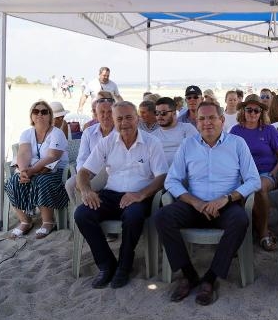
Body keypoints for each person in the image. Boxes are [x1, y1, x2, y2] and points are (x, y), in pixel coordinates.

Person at [154, 102, 259, 306]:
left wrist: (227, 198)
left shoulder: (237, 144)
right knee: (162, 217)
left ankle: (210, 278)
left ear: (222, 120)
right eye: (201, 118)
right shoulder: (188, 144)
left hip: (226, 205)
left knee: (240, 220)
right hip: (195, 205)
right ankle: (189, 274)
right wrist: (196, 202)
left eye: (212, 117)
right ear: (196, 122)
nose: (207, 122)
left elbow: (254, 180)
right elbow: (171, 180)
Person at [74, 101, 167, 289]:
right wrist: (86, 190)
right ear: (114, 121)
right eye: (119, 119)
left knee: (133, 216)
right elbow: (84, 172)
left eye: (128, 117)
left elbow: (162, 176)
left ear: (137, 118)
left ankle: (124, 266)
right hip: (111, 194)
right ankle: (106, 265)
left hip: (139, 196)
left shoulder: (152, 143)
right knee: (82, 214)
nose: (124, 123)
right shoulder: (107, 142)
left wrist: (140, 194)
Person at [230, 95, 278, 251]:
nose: (253, 113)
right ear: (243, 111)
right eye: (249, 110)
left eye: (256, 110)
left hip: (265, 173)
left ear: (261, 113)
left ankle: (263, 232)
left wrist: (274, 172)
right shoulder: (235, 130)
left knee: (259, 187)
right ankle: (249, 228)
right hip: (242, 174)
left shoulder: (269, 130)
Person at [5, 101, 69, 239]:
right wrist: (23, 171)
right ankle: (25, 221)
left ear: (50, 116)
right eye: (36, 111)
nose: (39, 114)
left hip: (56, 170)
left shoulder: (57, 133)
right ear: (31, 116)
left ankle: (48, 222)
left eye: (44, 112)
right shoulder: (27, 133)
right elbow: (24, 153)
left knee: (42, 181)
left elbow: (52, 157)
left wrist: (32, 170)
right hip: (32, 169)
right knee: (12, 182)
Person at [65, 98, 115, 204]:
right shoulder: (88, 132)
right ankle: (77, 209)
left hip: (111, 172)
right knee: (70, 184)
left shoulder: (120, 132)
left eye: (109, 112)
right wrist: (81, 176)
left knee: (88, 185)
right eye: (102, 112)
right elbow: (82, 158)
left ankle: (89, 205)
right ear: (96, 115)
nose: (106, 115)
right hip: (90, 171)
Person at [152, 97, 198, 167]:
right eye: (156, 113)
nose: (159, 116)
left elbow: (195, 153)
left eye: (163, 113)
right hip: (160, 171)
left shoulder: (187, 128)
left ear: (174, 113)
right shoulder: (153, 136)